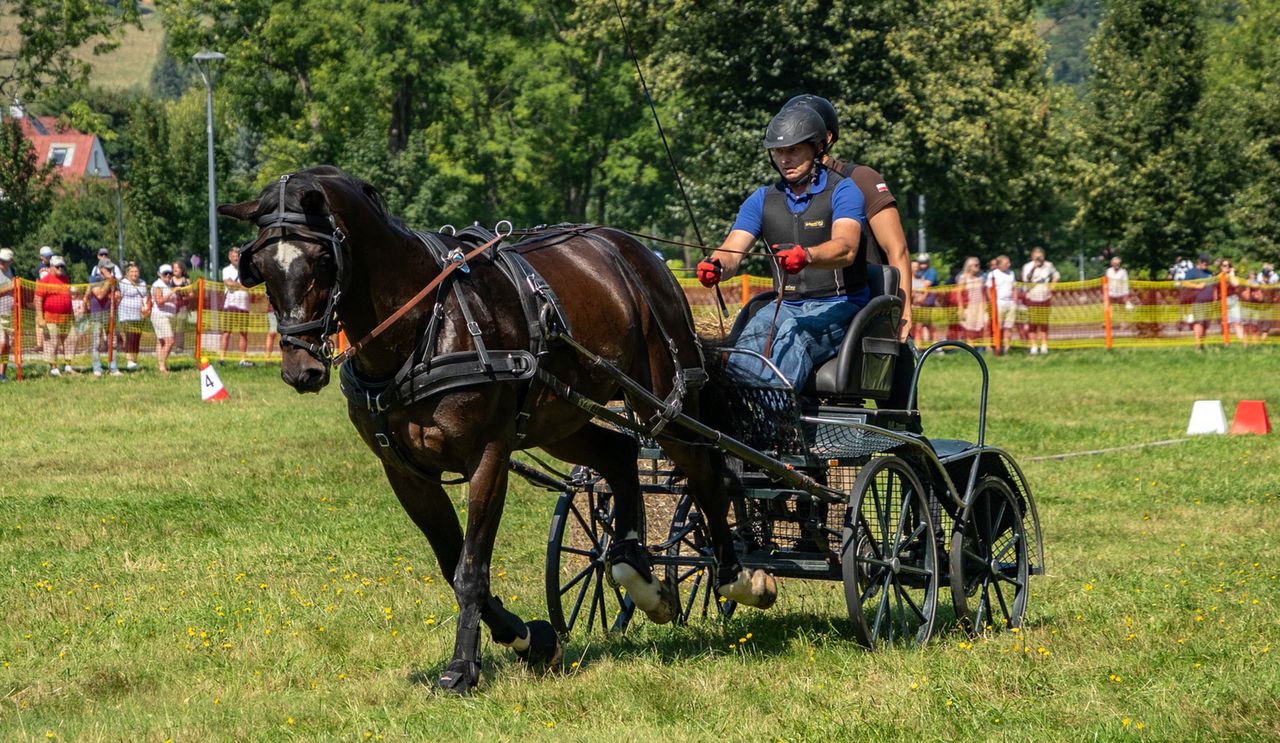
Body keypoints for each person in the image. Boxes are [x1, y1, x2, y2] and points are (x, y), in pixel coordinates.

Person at [697, 104, 866, 388]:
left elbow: (846, 248)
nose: (785, 159)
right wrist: (715, 266)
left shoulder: (844, 190)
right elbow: (732, 252)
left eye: (794, 150)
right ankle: (737, 414)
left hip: (842, 307)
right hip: (786, 305)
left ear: (817, 148)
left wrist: (808, 255)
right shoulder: (762, 200)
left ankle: (776, 423)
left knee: (793, 332)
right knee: (751, 336)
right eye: (779, 152)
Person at [779, 94, 917, 413]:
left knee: (898, 402)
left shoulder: (860, 180)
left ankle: (905, 430)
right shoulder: (785, 191)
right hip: (809, 304)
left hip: (863, 305)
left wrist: (904, 313)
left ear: (824, 139)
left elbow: (897, 250)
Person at [35, 256, 77, 375]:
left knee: (71, 339)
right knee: (51, 343)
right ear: (51, 267)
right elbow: (38, 299)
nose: (60, 268)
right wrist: (40, 317)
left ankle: (68, 366)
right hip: (50, 317)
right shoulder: (45, 280)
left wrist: (72, 314)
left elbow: (68, 298)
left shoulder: (65, 279)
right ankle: (54, 368)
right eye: (58, 266)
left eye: (62, 266)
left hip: (67, 317)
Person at [87, 258, 122, 376]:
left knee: (113, 342)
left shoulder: (114, 281)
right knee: (96, 342)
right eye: (107, 268)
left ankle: (113, 368)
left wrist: (117, 296)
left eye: (111, 268)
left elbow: (117, 296)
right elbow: (100, 294)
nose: (110, 270)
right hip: (97, 314)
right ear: (101, 268)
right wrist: (109, 281)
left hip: (110, 314)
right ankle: (97, 368)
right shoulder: (94, 278)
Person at [1021, 247, 1059, 355]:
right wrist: (1034, 268)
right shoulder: (1027, 267)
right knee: (1032, 323)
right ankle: (1033, 346)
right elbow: (1026, 280)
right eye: (1036, 256)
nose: (1038, 258)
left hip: (1045, 297)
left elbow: (1056, 275)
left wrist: (1053, 286)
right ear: (1032, 256)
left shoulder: (1049, 265)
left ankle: (1044, 345)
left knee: (1044, 323)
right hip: (1032, 297)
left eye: (1040, 256)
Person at [219, 247, 253, 367]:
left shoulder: (246, 270)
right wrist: (242, 286)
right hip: (230, 305)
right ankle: (221, 358)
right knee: (226, 332)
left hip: (244, 306)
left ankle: (242, 359)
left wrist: (238, 285)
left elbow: (250, 286)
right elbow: (229, 284)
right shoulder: (226, 270)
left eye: (238, 257)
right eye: (234, 257)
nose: (236, 259)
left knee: (243, 333)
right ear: (230, 257)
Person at [116, 262, 150, 370]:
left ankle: (135, 360)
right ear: (127, 273)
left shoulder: (143, 283)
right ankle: (129, 360)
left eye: (136, 271)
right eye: (132, 272)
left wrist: (146, 308)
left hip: (139, 315)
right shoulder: (123, 283)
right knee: (130, 336)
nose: (135, 274)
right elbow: (118, 297)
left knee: (136, 338)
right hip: (126, 315)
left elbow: (145, 296)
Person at [1180, 252, 1215, 350]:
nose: (1205, 263)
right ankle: (1197, 346)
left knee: (1206, 324)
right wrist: (1197, 286)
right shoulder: (1192, 272)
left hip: (1209, 302)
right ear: (1199, 261)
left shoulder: (1209, 273)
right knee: (1199, 322)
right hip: (1197, 301)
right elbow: (1184, 283)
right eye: (1203, 261)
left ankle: (1202, 344)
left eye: (1207, 262)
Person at [985, 254, 1016, 354]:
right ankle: (997, 347)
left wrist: (1015, 301)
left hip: (1010, 303)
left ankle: (1007, 348)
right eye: (1006, 263)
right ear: (999, 265)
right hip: (998, 303)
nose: (1009, 265)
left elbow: (1014, 287)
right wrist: (992, 302)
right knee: (998, 327)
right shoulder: (993, 274)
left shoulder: (1011, 273)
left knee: (1009, 327)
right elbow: (988, 289)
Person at [151, 264, 179, 373]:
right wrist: (172, 293)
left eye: (170, 273)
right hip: (160, 316)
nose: (168, 276)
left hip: (167, 316)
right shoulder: (157, 285)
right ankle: (162, 366)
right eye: (165, 273)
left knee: (161, 341)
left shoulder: (168, 285)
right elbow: (159, 301)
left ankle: (161, 366)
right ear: (159, 274)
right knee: (170, 341)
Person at [957, 256, 987, 344]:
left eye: (978, 265)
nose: (978, 267)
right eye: (975, 265)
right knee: (969, 326)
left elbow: (983, 292)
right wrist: (961, 306)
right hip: (968, 306)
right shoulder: (963, 277)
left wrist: (984, 303)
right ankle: (970, 346)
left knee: (984, 324)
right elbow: (959, 293)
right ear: (969, 266)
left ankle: (984, 346)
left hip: (979, 305)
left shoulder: (980, 278)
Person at [170, 260, 193, 354]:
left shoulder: (186, 281)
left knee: (180, 327)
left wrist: (184, 297)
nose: (175, 269)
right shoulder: (170, 280)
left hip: (182, 306)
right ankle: (170, 345)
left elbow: (191, 294)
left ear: (182, 270)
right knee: (171, 326)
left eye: (178, 267)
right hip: (171, 306)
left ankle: (179, 347)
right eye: (174, 268)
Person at [0, 248, 14, 382]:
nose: (1, 263)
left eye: (4, 261)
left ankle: (2, 374)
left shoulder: (11, 271)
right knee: (2, 343)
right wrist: (10, 287)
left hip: (10, 313)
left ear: (10, 261)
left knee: (8, 345)